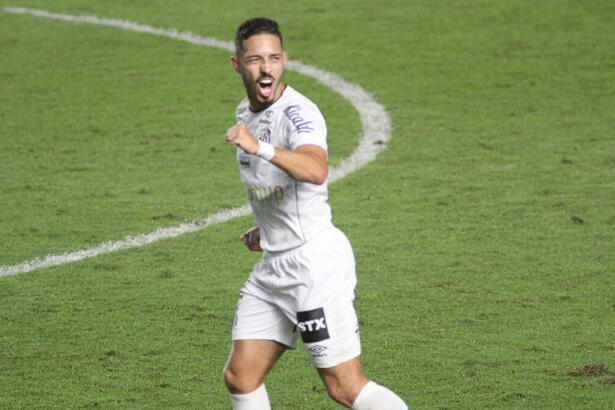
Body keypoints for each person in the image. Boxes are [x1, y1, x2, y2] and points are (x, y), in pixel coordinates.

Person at [223, 17, 408, 409]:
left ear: (284, 60)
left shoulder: (299, 115)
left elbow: (315, 169)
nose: (266, 67)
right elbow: (278, 185)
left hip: (312, 269)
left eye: (274, 57)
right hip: (275, 265)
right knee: (241, 377)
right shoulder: (247, 111)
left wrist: (260, 148)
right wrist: (268, 227)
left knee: (345, 388)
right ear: (238, 65)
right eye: (255, 59)